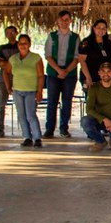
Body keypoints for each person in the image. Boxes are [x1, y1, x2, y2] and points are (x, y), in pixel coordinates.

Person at [3, 34, 45, 148]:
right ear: (18, 45)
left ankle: (37, 138)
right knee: (21, 115)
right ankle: (27, 137)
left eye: (25, 43)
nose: (23, 45)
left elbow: (41, 76)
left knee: (30, 115)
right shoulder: (13, 58)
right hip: (17, 91)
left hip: (31, 91)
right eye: (20, 43)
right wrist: (8, 86)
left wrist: (40, 91)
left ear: (29, 45)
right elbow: (5, 72)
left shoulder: (36, 58)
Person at [44, 10, 80, 138]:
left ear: (70, 21)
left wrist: (66, 71)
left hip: (69, 74)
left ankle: (64, 128)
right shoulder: (52, 36)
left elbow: (77, 57)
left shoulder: (75, 37)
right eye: (62, 19)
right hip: (54, 73)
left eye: (67, 19)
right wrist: (59, 70)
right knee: (52, 101)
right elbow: (48, 55)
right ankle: (49, 129)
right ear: (58, 21)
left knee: (67, 102)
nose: (64, 22)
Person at [81, 62, 111, 153]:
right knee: (85, 121)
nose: (106, 74)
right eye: (103, 71)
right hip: (100, 121)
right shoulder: (94, 88)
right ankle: (101, 141)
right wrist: (104, 119)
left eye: (108, 71)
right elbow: (89, 109)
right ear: (99, 73)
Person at [0, 25, 19, 138]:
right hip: (3, 79)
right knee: (1, 104)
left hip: (19, 78)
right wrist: (13, 65)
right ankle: (0, 129)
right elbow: (0, 64)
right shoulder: (2, 48)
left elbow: (23, 63)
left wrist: (7, 64)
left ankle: (26, 128)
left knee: (21, 104)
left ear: (16, 33)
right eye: (8, 33)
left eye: (12, 32)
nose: (10, 35)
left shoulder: (21, 46)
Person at [78, 19, 111, 91]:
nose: (101, 30)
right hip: (90, 77)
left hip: (105, 78)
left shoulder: (108, 43)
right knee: (91, 99)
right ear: (94, 28)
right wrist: (88, 78)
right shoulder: (86, 42)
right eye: (99, 27)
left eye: (103, 28)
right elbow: (82, 61)